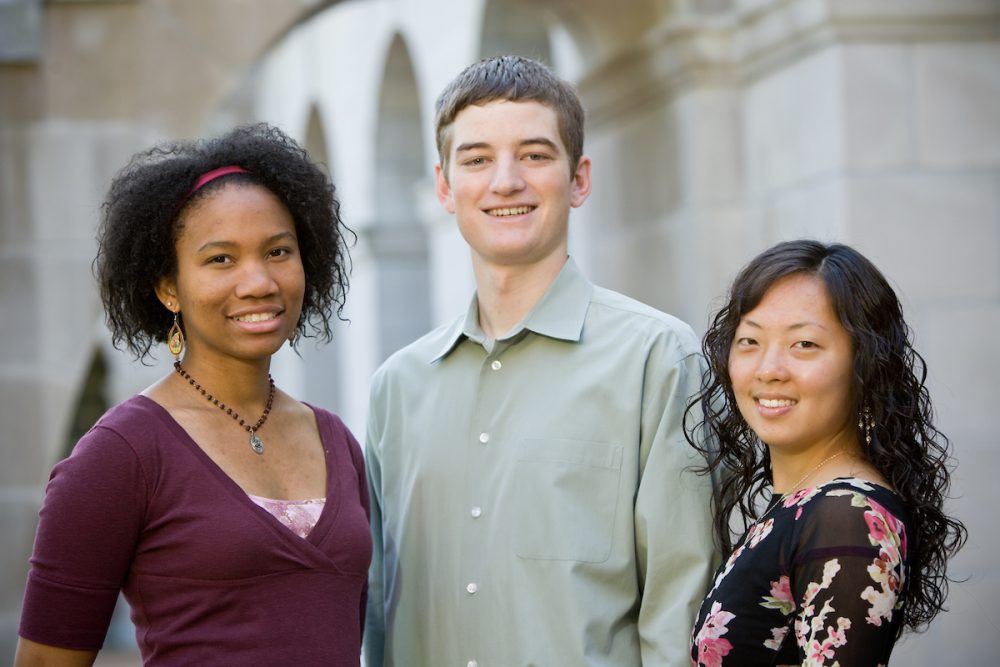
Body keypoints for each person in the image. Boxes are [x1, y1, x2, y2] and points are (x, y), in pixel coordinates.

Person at [364, 55, 717, 667]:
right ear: (445, 187)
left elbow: (680, 602)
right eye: (476, 159)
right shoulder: (397, 387)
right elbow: (374, 603)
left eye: (534, 154)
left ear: (579, 179)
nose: (505, 182)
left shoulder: (656, 357)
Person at [16, 124, 371, 666]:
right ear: (168, 288)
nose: (258, 282)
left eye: (278, 251)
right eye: (220, 259)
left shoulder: (336, 442)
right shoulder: (121, 454)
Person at [685, 239, 967, 666]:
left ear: (864, 364)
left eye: (805, 345)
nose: (768, 369)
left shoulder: (847, 517)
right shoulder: (809, 504)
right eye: (750, 341)